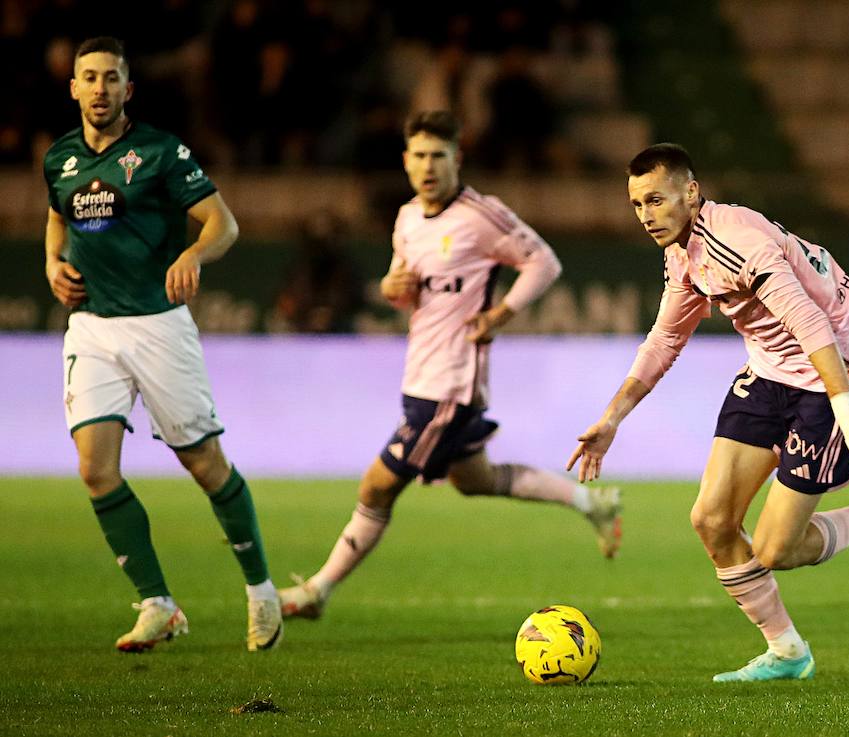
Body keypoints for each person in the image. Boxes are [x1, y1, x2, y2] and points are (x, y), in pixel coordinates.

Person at [567, 143, 849, 682]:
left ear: (691, 192)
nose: (646, 215)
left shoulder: (737, 242)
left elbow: (812, 325)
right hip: (769, 371)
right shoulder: (683, 252)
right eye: (637, 204)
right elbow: (665, 339)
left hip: (833, 369)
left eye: (656, 200)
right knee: (711, 519)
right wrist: (612, 419)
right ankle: (787, 652)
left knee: (775, 549)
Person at [277, 111, 621, 620]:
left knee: (376, 486)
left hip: (452, 383)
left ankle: (317, 591)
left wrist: (501, 314)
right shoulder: (406, 219)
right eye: (419, 155)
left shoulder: (481, 215)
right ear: (405, 161)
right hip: (419, 373)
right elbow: (404, 291)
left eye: (438, 155)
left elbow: (544, 262)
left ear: (457, 159)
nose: (428, 166)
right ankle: (592, 503)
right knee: (476, 479)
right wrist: (391, 289)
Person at [42, 36, 281, 652]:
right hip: (92, 326)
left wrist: (193, 254)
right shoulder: (60, 158)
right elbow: (58, 216)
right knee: (95, 470)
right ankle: (157, 604)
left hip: (157, 325)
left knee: (205, 465)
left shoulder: (159, 152)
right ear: (73, 87)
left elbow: (223, 222)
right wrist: (51, 262)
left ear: (128, 89)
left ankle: (261, 590)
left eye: (111, 78)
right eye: (89, 77)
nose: (99, 88)